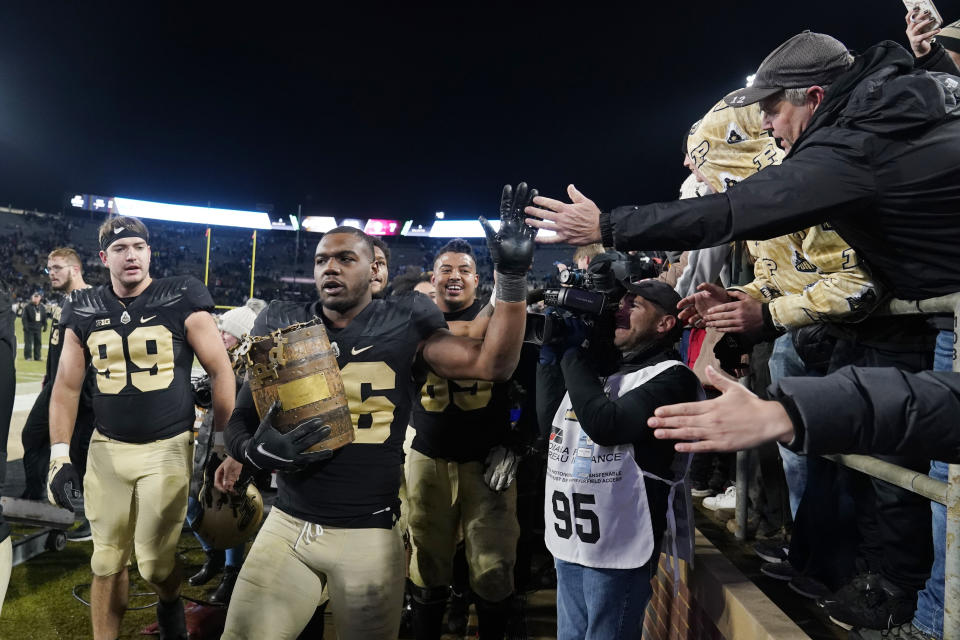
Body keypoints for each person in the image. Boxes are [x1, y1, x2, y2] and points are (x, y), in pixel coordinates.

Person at [220, 184, 537, 640]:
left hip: (369, 531)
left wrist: (510, 278)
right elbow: (240, 421)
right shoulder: (285, 320)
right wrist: (253, 452)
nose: (331, 266)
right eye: (322, 259)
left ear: (374, 271)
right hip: (288, 523)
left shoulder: (404, 320)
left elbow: (494, 363)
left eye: (346, 258)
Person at [525, 31, 960, 302]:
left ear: (814, 97)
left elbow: (735, 210)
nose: (767, 126)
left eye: (772, 110)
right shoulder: (909, 94)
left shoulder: (850, 147)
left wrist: (607, 226)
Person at [48, 216, 235, 640]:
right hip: (107, 449)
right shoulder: (82, 307)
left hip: (166, 447)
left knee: (154, 563)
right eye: (119, 248)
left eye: (137, 246)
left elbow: (223, 373)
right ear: (103, 257)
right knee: (105, 560)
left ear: (150, 252)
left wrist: (222, 445)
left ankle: (170, 604)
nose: (130, 254)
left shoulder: (180, 294)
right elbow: (66, 388)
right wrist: (60, 456)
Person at [536, 279, 702, 639]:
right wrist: (550, 358)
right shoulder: (604, 372)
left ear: (665, 324)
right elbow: (550, 419)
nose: (620, 310)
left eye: (635, 304)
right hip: (573, 536)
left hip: (619, 544)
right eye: (620, 303)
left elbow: (607, 426)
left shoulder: (673, 378)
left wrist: (571, 354)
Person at [406, 238, 521, 639]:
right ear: (433, 278)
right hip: (427, 456)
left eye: (463, 270)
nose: (454, 276)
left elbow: (531, 386)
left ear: (476, 279)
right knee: (426, 563)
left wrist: (518, 440)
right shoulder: (414, 320)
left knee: (493, 568)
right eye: (446, 269)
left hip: (484, 462)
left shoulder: (502, 320)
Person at [186, 297, 266, 605]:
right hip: (206, 444)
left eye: (227, 333)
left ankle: (233, 572)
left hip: (233, 449)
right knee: (193, 506)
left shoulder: (252, 367)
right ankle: (213, 557)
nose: (220, 336)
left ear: (243, 336)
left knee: (233, 514)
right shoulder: (221, 361)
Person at [20, 249, 95, 542]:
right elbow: (58, 347)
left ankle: (90, 517)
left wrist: (86, 393)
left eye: (57, 267)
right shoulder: (65, 302)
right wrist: (49, 376)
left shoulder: (91, 301)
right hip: (55, 385)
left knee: (81, 454)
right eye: (49, 267)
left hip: (82, 390)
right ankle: (37, 491)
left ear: (75, 269)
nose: (51, 272)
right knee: (32, 435)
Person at [21, 291, 47, 361]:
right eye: (34, 297)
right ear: (32, 298)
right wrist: (25, 326)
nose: (35, 299)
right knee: (28, 343)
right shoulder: (27, 307)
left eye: (37, 297)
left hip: (38, 328)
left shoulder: (42, 307)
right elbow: (24, 318)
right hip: (29, 328)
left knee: (38, 343)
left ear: (40, 298)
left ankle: (37, 357)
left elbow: (44, 317)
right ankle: (28, 357)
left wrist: (45, 325)